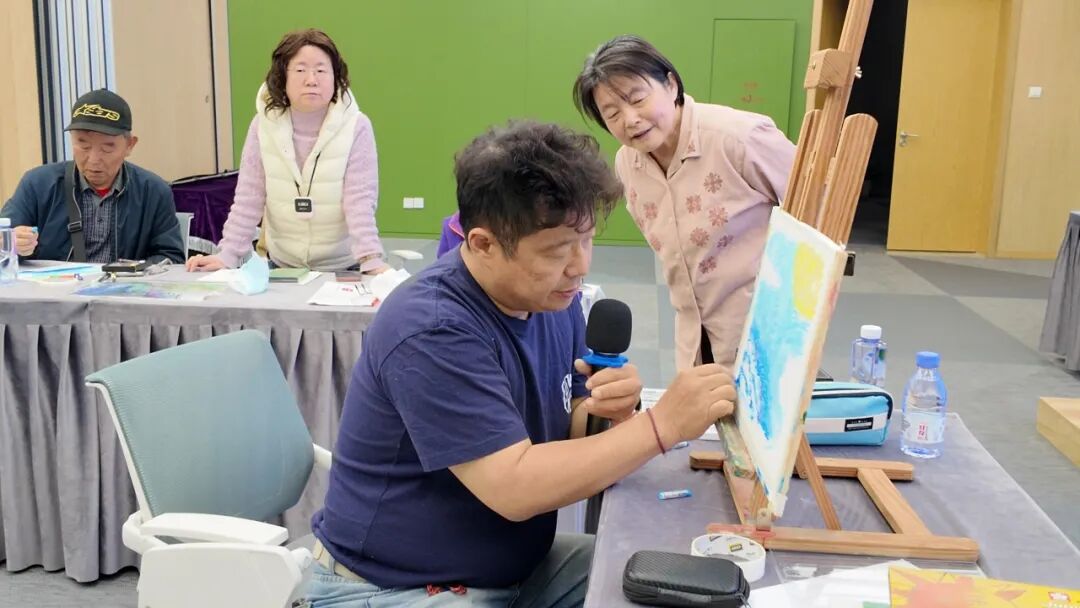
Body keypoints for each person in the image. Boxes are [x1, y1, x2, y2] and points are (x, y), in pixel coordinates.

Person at [302, 121, 735, 607]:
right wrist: (662, 426)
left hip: (513, 572)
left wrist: (609, 413)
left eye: (586, 240)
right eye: (556, 251)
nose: (580, 266)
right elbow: (514, 486)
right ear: (483, 243)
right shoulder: (433, 328)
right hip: (393, 587)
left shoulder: (552, 298)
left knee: (679, 582)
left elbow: (565, 424)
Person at [573, 35, 796, 372]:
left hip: (765, 337)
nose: (630, 119)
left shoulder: (740, 138)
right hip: (693, 340)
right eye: (612, 113)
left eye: (637, 98)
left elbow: (819, 214)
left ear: (671, 84)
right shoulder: (627, 165)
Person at [186, 28, 388, 273]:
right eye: (300, 70)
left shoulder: (357, 126)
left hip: (344, 265)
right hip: (282, 266)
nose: (311, 80)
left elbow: (360, 200)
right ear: (282, 77)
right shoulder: (262, 125)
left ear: (336, 77)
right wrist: (227, 254)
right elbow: (249, 197)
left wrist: (370, 259)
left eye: (321, 70)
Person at [0, 89, 184, 264]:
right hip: (52, 286)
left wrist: (132, 271)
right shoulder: (38, 184)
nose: (94, 159)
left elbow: (171, 257)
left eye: (107, 148)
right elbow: (4, 241)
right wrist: (12, 244)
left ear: (130, 145)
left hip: (122, 285)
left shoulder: (153, 191)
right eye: (84, 145)